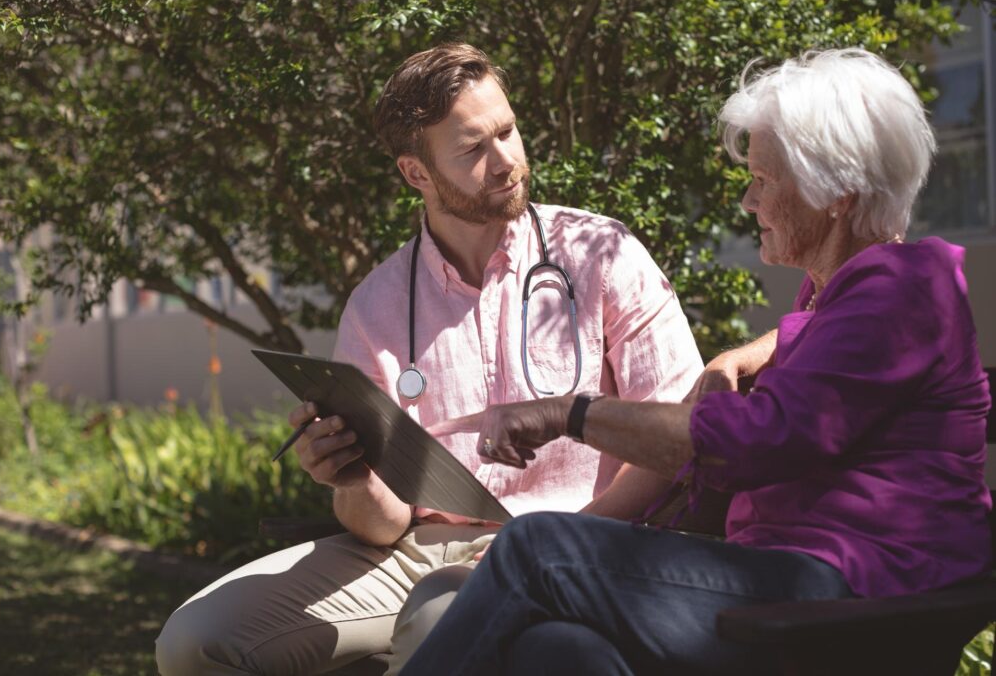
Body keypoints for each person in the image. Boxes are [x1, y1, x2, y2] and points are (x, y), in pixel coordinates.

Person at [398, 47, 994, 676]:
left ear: (837, 192)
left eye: (764, 179)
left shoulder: (897, 291)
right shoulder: (846, 293)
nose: (747, 201)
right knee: (562, 653)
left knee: (538, 550)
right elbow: (836, 369)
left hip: (855, 602)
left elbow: (754, 442)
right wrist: (756, 351)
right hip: (798, 585)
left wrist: (570, 414)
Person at [155, 43, 703, 675]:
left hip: (583, 540)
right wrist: (351, 477)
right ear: (416, 173)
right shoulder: (376, 305)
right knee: (195, 641)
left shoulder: (601, 256)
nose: (507, 162)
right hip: (420, 553)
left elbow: (676, 439)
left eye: (508, 132)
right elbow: (383, 524)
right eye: (473, 149)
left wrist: (539, 545)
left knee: (439, 626)